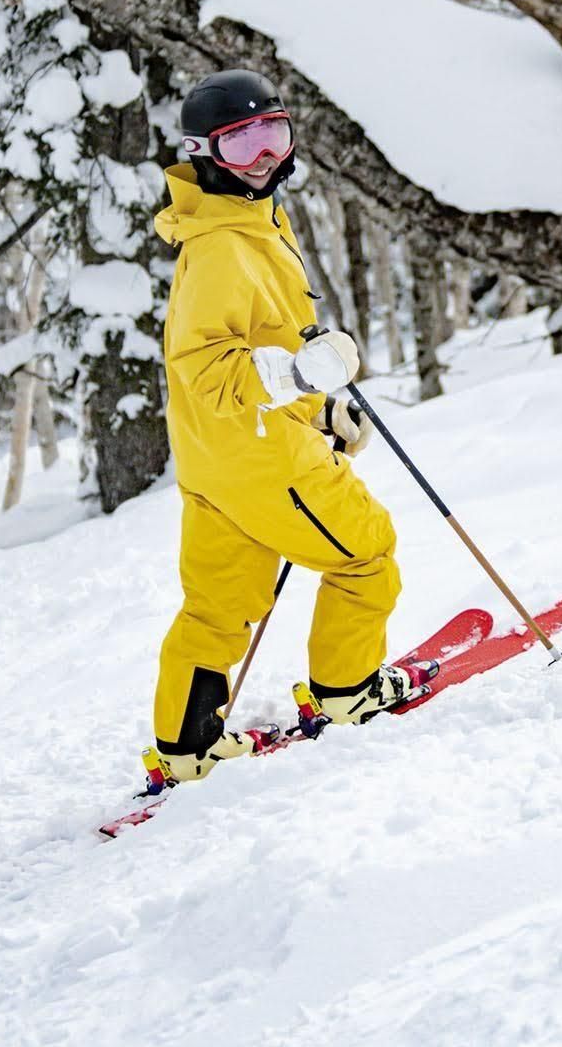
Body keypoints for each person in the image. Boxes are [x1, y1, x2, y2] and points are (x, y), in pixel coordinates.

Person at [146, 69, 410, 780]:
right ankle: (348, 693)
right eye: (241, 143)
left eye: (274, 134)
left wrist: (320, 406)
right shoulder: (223, 247)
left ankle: (187, 747)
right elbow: (210, 370)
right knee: (366, 554)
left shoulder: (244, 224)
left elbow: (262, 344)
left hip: (217, 462)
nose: (263, 157)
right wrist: (302, 376)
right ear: (203, 153)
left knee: (218, 605)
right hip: (266, 462)